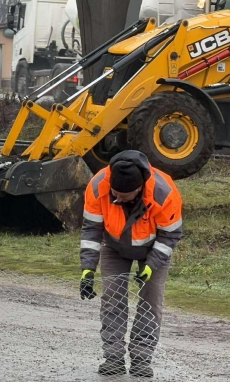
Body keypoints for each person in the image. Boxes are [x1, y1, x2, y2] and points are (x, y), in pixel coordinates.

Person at [79, 150, 183, 378]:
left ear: (140, 188)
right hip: (114, 247)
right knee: (112, 299)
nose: (118, 199)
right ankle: (113, 358)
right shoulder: (97, 186)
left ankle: (141, 359)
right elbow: (92, 230)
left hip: (154, 249)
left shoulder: (164, 193)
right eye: (115, 194)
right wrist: (87, 269)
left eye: (124, 196)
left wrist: (151, 265)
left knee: (150, 303)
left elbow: (171, 235)